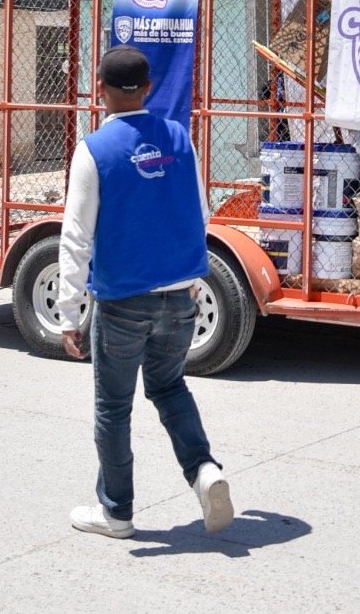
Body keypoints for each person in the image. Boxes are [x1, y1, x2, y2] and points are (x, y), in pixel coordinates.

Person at [57, 46, 232, 539]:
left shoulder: (94, 150)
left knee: (114, 407)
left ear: (100, 89)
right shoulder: (179, 137)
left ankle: (116, 512)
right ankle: (203, 469)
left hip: (122, 301)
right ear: (149, 88)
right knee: (169, 387)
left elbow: (76, 237)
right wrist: (191, 280)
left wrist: (68, 312)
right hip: (180, 295)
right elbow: (199, 213)